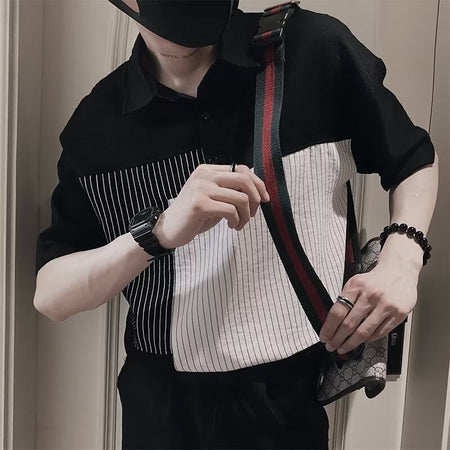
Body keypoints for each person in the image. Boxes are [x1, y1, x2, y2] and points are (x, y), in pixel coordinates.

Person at [33, 1, 438, 449]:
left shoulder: (311, 50)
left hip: (292, 393)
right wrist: (157, 232)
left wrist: (402, 261)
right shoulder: (98, 126)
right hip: (163, 405)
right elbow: (51, 294)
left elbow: (411, 158)